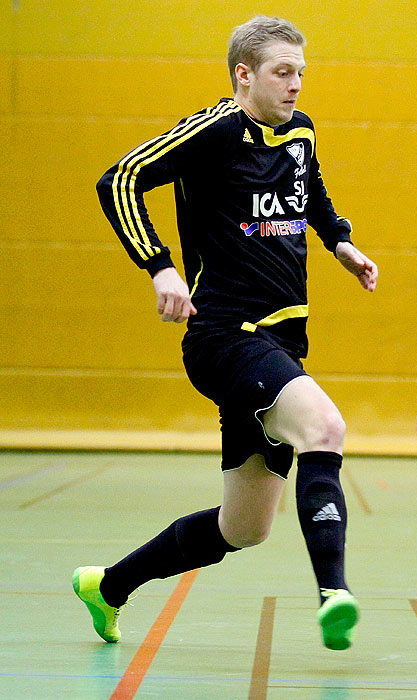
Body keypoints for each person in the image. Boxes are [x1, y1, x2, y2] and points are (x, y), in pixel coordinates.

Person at [73, 15, 377, 652]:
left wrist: (339, 240)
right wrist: (160, 266)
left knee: (244, 527)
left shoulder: (300, 130)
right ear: (245, 75)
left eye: (300, 73)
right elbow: (118, 180)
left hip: (282, 338)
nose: (295, 85)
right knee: (325, 428)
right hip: (223, 336)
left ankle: (107, 587)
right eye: (282, 73)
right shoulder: (212, 133)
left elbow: (310, 186)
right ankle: (334, 595)